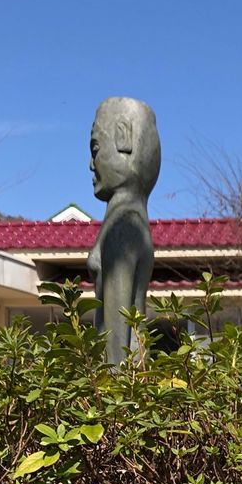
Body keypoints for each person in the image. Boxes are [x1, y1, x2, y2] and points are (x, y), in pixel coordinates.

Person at [87, 97, 160, 365]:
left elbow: (117, 319)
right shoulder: (133, 216)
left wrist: (112, 388)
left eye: (95, 149)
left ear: (123, 138)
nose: (91, 164)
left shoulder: (125, 221)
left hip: (121, 375)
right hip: (131, 369)